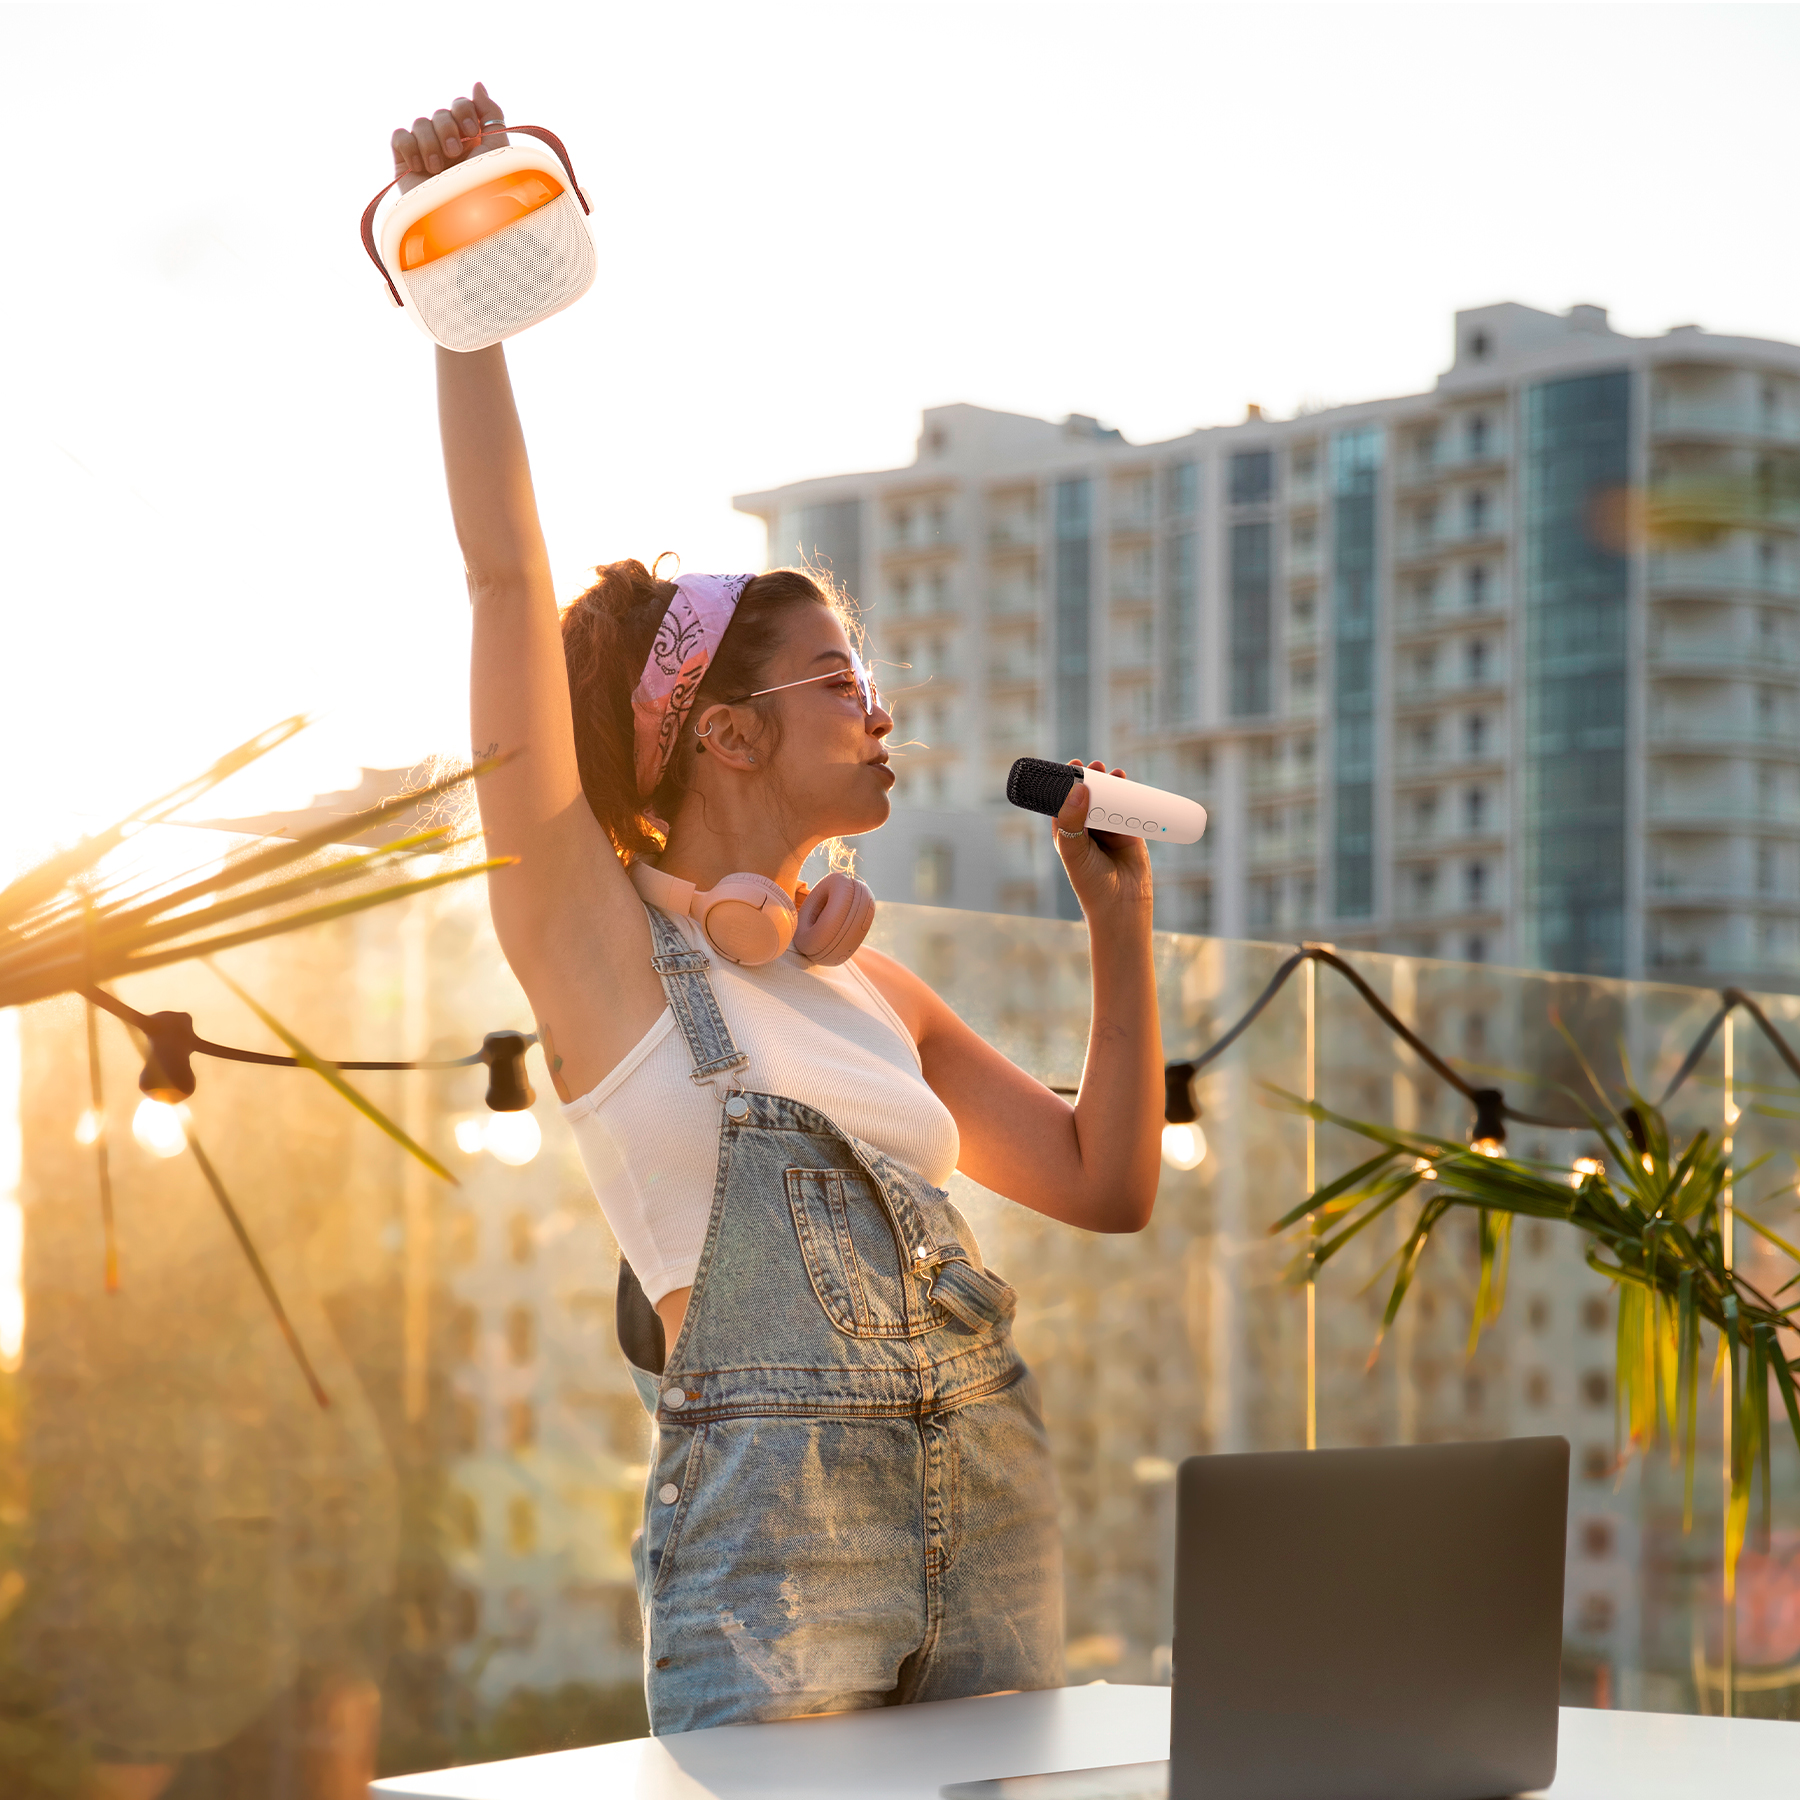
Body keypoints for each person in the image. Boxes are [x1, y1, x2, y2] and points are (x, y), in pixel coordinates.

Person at [390, 82, 1165, 1735]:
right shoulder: (600, 947)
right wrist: (466, 315)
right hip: (776, 1568)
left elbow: (1106, 1187)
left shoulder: (881, 994)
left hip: (996, 1517)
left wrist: (1117, 919)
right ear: (728, 737)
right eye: (841, 679)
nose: (881, 708)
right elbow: (505, 582)